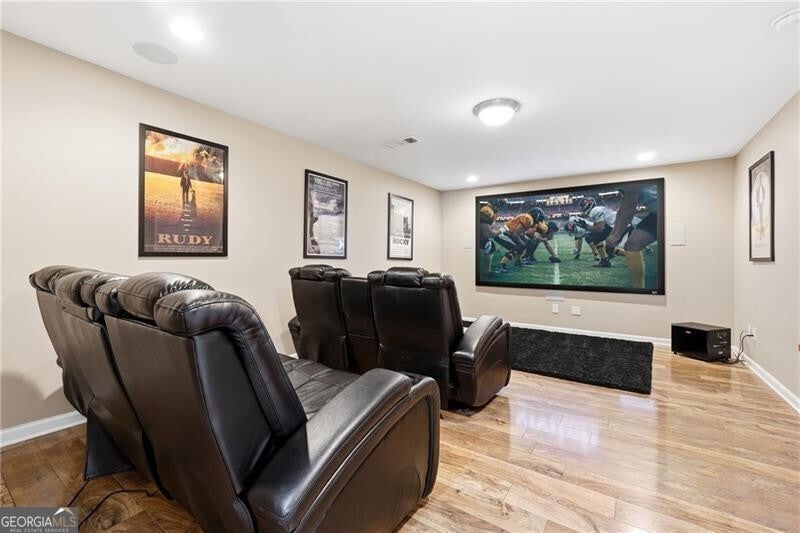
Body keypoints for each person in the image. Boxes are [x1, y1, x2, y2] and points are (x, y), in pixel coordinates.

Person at [605, 183, 658, 288]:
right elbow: (623, 209)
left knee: (633, 243)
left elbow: (628, 207)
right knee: (633, 244)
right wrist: (614, 234)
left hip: (669, 208)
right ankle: (639, 290)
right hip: (657, 211)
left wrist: (616, 235)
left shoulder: (627, 179)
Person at [493, 208, 546, 273]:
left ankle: (518, 262)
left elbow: (521, 233)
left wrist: (526, 242)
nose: (540, 220)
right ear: (536, 215)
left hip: (508, 233)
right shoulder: (528, 219)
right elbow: (516, 234)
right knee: (516, 247)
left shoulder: (529, 219)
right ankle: (501, 266)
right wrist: (523, 244)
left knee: (523, 244)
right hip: (502, 233)